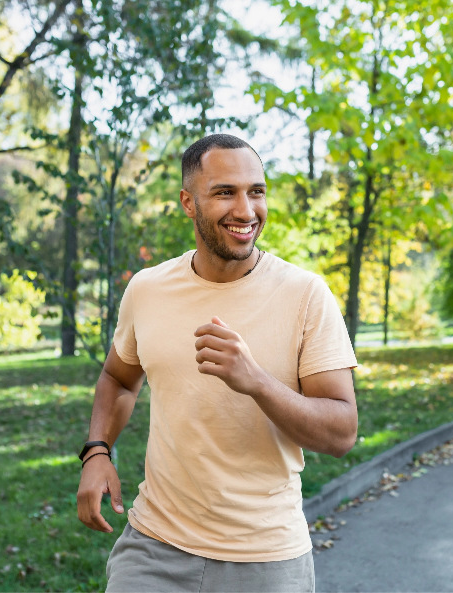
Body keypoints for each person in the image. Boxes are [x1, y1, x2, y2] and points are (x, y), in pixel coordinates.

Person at [76, 133, 358, 592]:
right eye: (225, 192)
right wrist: (97, 451)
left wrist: (257, 382)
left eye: (256, 191)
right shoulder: (148, 289)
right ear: (189, 202)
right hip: (154, 547)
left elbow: (342, 432)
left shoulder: (306, 295)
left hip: (266, 559)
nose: (246, 210)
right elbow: (118, 379)